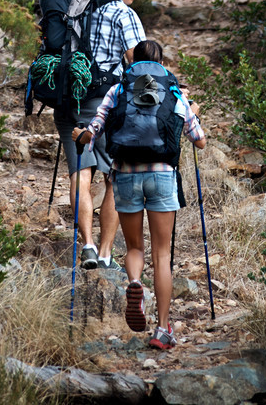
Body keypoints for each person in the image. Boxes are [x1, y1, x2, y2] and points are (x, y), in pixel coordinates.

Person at [72, 39, 206, 350]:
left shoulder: (119, 90)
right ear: (162, 62)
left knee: (134, 247)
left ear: (134, 60)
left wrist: (81, 135)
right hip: (161, 175)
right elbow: (198, 141)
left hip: (125, 174)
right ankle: (162, 330)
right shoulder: (172, 91)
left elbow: (94, 129)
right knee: (162, 255)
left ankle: (134, 283)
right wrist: (192, 113)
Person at [54, 0, 145, 271]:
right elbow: (140, 65)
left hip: (69, 101)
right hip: (106, 107)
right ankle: (106, 254)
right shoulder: (123, 14)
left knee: (80, 175)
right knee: (114, 179)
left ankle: (88, 247)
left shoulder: (72, 7)